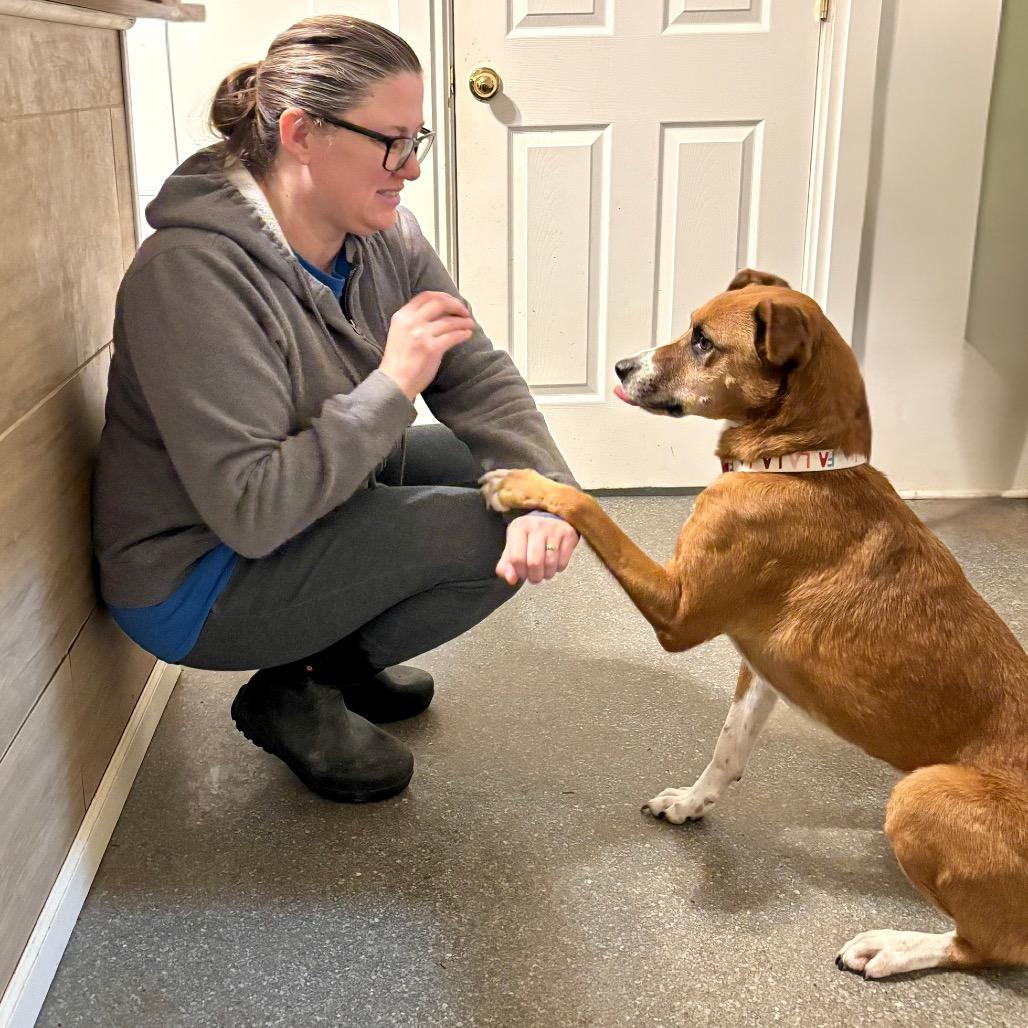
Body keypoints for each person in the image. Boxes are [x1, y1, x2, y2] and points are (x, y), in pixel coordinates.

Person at [92, 15, 579, 804]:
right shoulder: (191, 276)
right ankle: (297, 687)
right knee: (488, 532)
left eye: (415, 139)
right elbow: (250, 511)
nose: (410, 169)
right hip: (199, 574)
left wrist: (551, 491)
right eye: (392, 142)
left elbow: (478, 375)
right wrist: (393, 384)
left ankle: (331, 655)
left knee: (508, 484)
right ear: (301, 134)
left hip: (303, 508)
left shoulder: (384, 235)